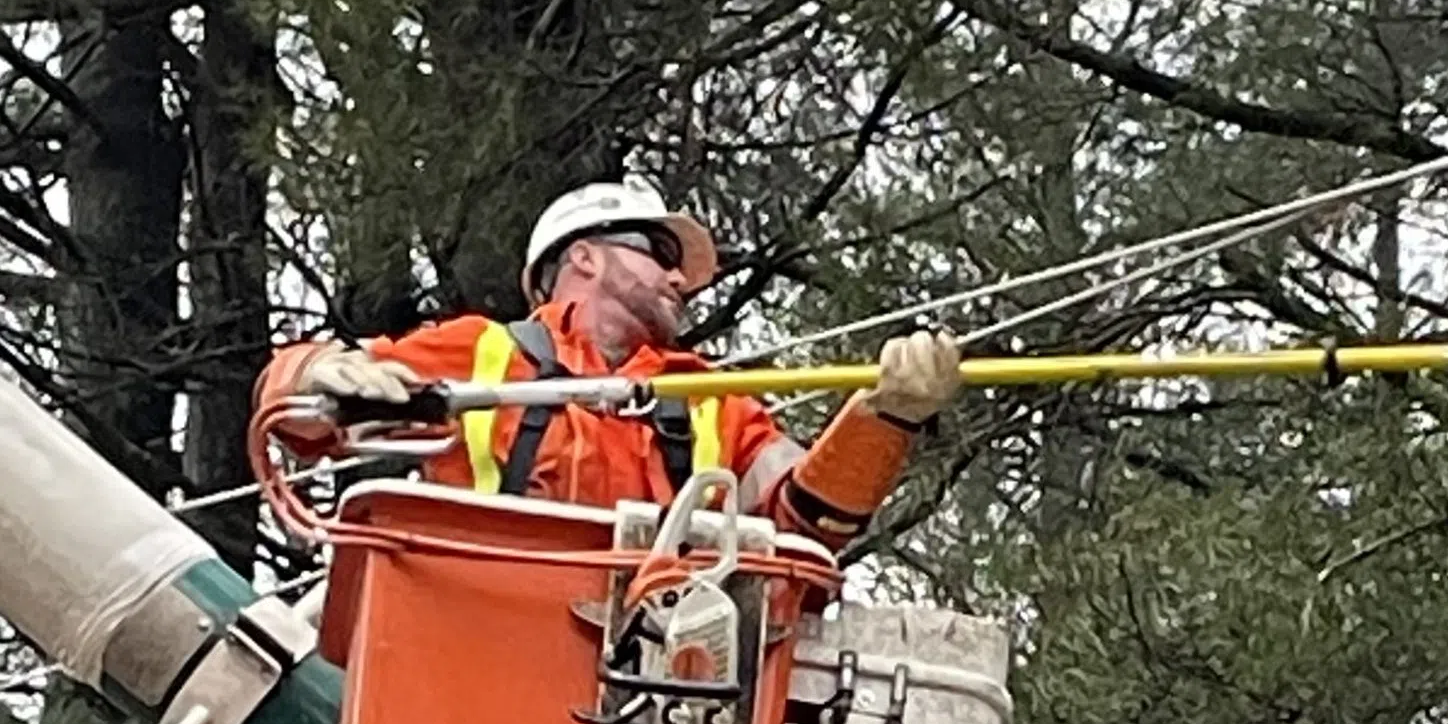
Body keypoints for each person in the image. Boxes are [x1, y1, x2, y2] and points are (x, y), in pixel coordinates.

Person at [250, 175, 964, 549]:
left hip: (656, 686)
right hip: (480, 654)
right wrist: (315, 377)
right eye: (659, 253)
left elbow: (804, 525)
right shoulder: (485, 353)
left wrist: (884, 421)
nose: (679, 278)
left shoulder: (717, 402)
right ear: (585, 257)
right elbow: (296, 420)